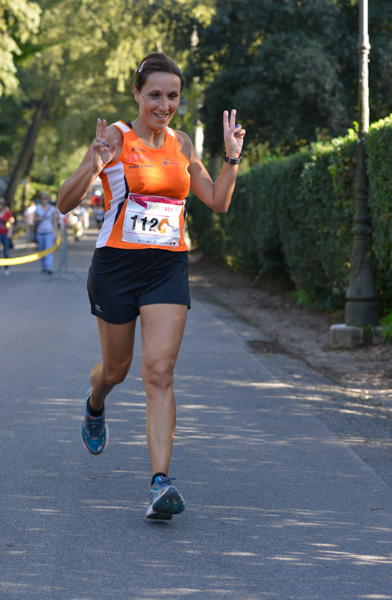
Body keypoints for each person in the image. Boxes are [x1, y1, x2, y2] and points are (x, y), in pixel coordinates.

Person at [57, 52, 245, 521]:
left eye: (173, 96)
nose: (164, 104)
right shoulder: (116, 139)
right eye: (155, 95)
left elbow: (218, 201)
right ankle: (95, 401)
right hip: (116, 266)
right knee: (116, 371)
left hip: (166, 266)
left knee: (159, 371)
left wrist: (233, 156)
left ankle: (160, 482)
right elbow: (65, 202)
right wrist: (94, 164)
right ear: (137, 93)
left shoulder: (183, 143)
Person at [35, 192, 58, 274]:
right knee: (42, 250)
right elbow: (34, 219)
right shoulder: (37, 208)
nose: (44, 201)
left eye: (45, 199)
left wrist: (56, 233)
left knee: (49, 250)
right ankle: (44, 267)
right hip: (40, 232)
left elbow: (54, 221)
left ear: (48, 200)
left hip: (49, 232)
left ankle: (49, 267)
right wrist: (38, 219)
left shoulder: (52, 209)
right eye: (42, 199)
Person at [0, 196, 14, 275]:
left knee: (6, 252)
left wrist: (9, 232)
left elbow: (11, 223)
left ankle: (6, 268)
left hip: (5, 234)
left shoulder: (7, 212)